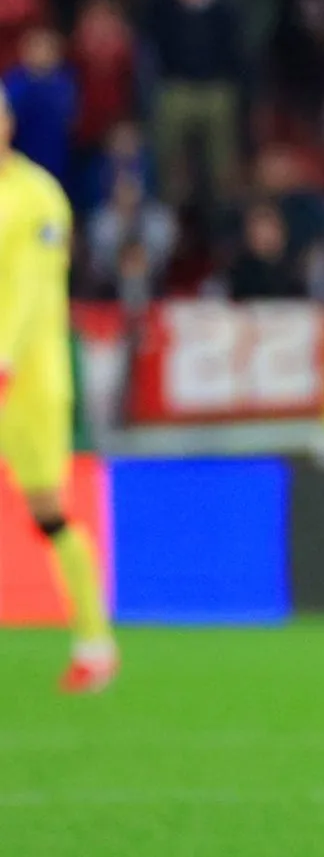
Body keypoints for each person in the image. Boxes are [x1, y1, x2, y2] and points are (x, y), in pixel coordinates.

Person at [0, 91, 116, 694]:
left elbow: (29, 288)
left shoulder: (38, 195)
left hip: (28, 382)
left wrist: (5, 360)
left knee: (47, 513)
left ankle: (95, 643)